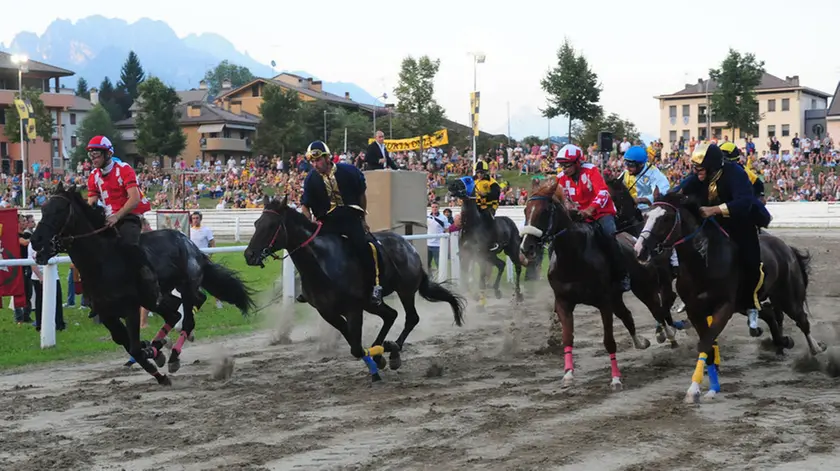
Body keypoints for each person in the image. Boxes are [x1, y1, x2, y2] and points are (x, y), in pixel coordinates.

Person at [677, 144, 771, 331]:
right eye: (695, 168)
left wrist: (714, 210)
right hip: (713, 225)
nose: (697, 172)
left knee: (751, 261)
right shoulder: (700, 175)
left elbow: (744, 202)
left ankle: (752, 305)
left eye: (700, 169)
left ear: (711, 166)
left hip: (740, 224)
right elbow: (681, 189)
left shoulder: (735, 173)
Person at [300, 140, 384, 305]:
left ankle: (375, 286)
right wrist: (309, 227)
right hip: (326, 223)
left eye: (317, 160)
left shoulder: (349, 171)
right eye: (312, 161)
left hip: (351, 220)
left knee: (367, 247)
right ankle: (308, 288)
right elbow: (305, 205)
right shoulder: (310, 179)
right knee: (309, 251)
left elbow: (361, 195)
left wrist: (362, 220)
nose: (315, 164)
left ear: (327, 157)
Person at [85, 135, 162, 306]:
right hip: (108, 219)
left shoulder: (124, 168)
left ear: (108, 154)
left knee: (128, 245)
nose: (93, 159)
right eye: (91, 155)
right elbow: (91, 201)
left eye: (97, 155)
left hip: (128, 217)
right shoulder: (93, 176)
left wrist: (117, 216)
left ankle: (149, 280)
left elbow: (134, 199)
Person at [555, 144, 631, 292]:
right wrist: (569, 208)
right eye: (562, 165)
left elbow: (603, 193)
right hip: (579, 215)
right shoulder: (560, 178)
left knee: (609, 236)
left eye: (567, 165)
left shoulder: (591, 170)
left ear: (577, 162)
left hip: (602, 213)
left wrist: (590, 209)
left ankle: (623, 275)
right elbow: (562, 199)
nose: (564, 169)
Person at [473, 161, 502, 251]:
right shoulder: (473, 180)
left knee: (487, 218)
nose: (480, 174)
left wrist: (485, 194)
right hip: (477, 205)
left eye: (482, 172)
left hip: (490, 206)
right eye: (478, 172)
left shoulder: (492, 182)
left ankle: (493, 241)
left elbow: (496, 194)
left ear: (485, 172)